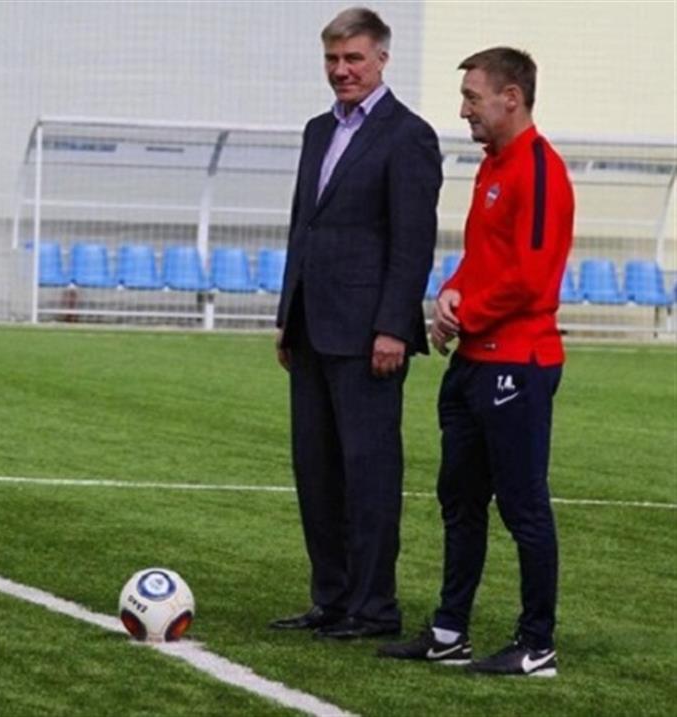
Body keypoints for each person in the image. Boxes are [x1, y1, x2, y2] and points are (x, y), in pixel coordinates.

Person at [379, 47, 574, 677]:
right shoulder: (492, 165)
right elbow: (482, 259)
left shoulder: (539, 169)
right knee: (459, 501)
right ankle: (448, 632)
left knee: (523, 507)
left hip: (518, 363)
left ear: (511, 98)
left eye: (472, 97)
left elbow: (532, 278)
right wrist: (451, 294)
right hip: (473, 362)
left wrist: (466, 314)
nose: (464, 110)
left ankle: (537, 644)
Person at [270, 7, 442, 639]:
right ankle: (332, 598)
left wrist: (393, 326)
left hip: (369, 334)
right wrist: (287, 315)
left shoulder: (408, 135)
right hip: (311, 327)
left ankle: (373, 608)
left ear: (381, 60)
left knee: (368, 473)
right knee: (316, 472)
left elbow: (412, 241)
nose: (341, 70)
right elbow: (303, 226)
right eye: (332, 59)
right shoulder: (318, 131)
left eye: (353, 59)